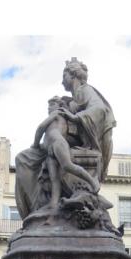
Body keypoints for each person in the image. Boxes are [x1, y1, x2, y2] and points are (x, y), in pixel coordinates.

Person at [12, 58, 116, 217]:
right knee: (23, 159)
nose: (62, 81)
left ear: (73, 75)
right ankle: (39, 207)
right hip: (56, 142)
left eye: (64, 76)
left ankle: (41, 205)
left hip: (68, 142)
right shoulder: (73, 98)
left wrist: (76, 117)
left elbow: (99, 109)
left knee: (37, 161)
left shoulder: (85, 90)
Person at [34, 96, 101, 209]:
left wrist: (35, 144)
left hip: (58, 143)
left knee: (67, 166)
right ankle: (54, 204)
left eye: (52, 105)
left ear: (59, 105)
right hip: (50, 150)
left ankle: (92, 181)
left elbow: (40, 128)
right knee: (54, 179)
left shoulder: (57, 113)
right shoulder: (60, 118)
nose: (49, 108)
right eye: (48, 106)